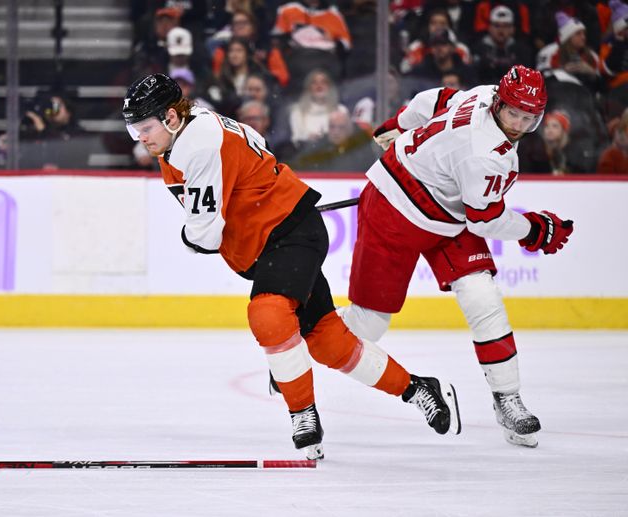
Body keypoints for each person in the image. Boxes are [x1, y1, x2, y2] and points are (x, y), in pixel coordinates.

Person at [122, 73, 461, 460]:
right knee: (329, 343)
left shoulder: (194, 145)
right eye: (134, 131)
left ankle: (303, 414)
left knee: (268, 315)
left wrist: (191, 237)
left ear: (169, 117)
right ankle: (420, 389)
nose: (141, 139)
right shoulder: (196, 127)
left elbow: (205, 236)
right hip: (278, 237)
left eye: (144, 128)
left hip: (289, 235)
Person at [351, 65, 574, 448]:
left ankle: (508, 398)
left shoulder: (485, 93)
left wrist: (397, 124)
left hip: (447, 215)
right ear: (499, 103)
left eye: (529, 117)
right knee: (368, 324)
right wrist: (534, 229)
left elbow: (434, 99)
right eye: (513, 113)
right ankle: (303, 347)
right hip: (393, 209)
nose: (519, 124)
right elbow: (485, 220)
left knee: (483, 296)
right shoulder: (485, 155)